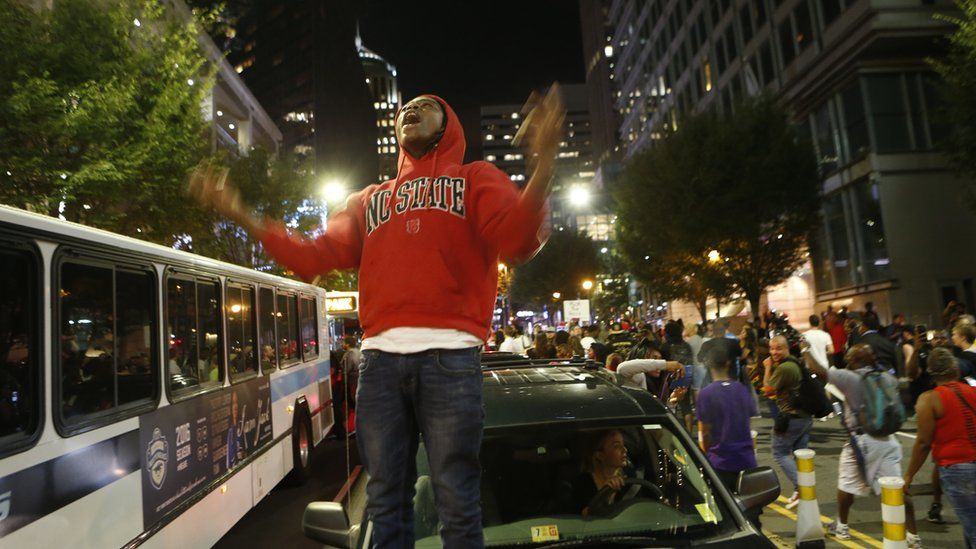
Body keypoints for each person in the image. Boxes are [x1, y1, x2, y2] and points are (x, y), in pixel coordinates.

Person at [190, 88, 565, 549]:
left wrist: (544, 160)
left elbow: (519, 239)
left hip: (450, 356)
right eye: (404, 109)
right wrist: (240, 213)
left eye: (425, 107)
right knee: (386, 500)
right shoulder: (367, 199)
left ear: (448, 126)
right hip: (380, 361)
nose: (409, 111)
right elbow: (311, 257)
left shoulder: (475, 178)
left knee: (457, 501)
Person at [805, 344, 923, 548]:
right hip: (889, 441)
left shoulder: (850, 378)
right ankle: (912, 536)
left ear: (854, 360)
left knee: (846, 484)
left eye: (850, 357)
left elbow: (819, 371)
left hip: (862, 442)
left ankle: (841, 526)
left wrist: (806, 351)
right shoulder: (886, 377)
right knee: (896, 489)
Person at [904, 347, 976, 546]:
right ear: (956, 370)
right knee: (971, 527)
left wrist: (909, 475)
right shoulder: (973, 392)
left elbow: (923, 443)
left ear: (931, 372)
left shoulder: (930, 399)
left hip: (957, 467)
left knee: (973, 527)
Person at [697, 345, 761, 528]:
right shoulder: (741, 389)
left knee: (725, 516)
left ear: (709, 365)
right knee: (751, 514)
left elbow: (705, 432)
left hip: (720, 462)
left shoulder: (706, 394)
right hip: (746, 460)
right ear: (728, 363)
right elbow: (748, 422)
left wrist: (706, 456)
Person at [762, 335, 812, 510]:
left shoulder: (784, 368)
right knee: (800, 455)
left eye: (778, 348)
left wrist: (767, 368)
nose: (774, 352)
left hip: (791, 418)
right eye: (772, 348)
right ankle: (802, 492)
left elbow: (767, 390)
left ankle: (803, 488)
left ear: (786, 348)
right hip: (804, 418)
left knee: (779, 453)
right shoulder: (795, 362)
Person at [572, 429, 628, 516]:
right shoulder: (583, 483)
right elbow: (582, 518)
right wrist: (604, 495)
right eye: (616, 446)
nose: (624, 450)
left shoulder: (630, 480)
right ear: (600, 455)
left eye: (623, 445)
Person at [614, 339, 684, 391]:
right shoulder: (637, 377)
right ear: (641, 357)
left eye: (660, 359)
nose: (658, 362)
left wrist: (672, 402)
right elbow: (622, 368)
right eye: (654, 358)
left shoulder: (657, 383)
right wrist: (665, 364)